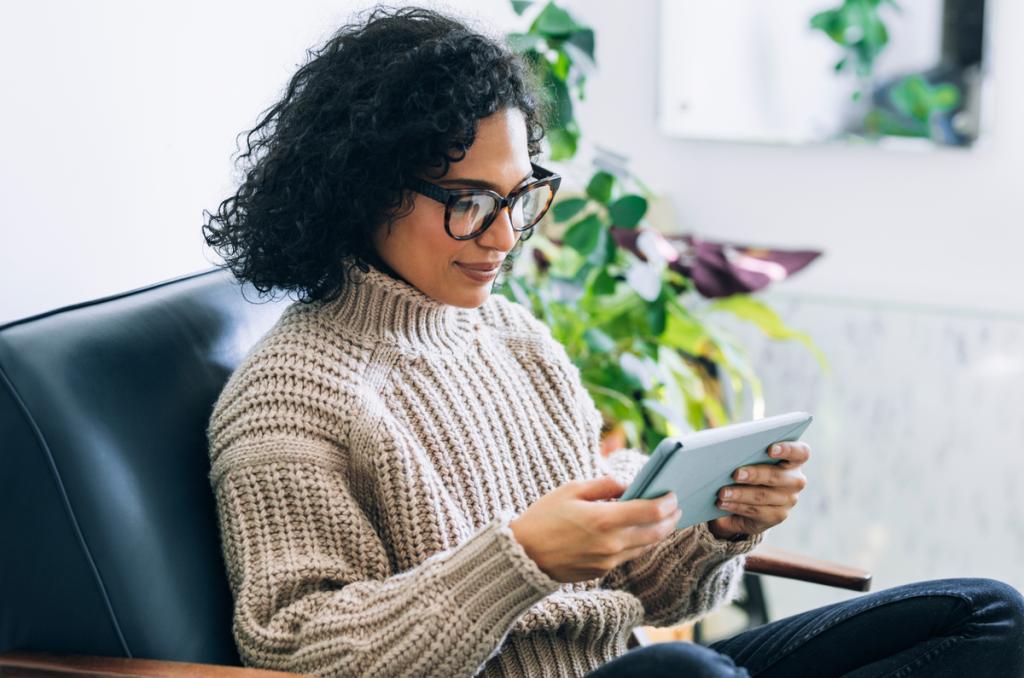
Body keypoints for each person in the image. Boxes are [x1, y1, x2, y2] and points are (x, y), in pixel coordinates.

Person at [201, 6, 1024, 677]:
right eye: (467, 200)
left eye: (521, 195)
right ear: (363, 187)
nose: (501, 236)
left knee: (990, 614)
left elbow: (647, 592)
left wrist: (718, 525)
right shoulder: (291, 397)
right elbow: (296, 650)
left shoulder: (510, 335)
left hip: (624, 671)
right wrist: (518, 558)